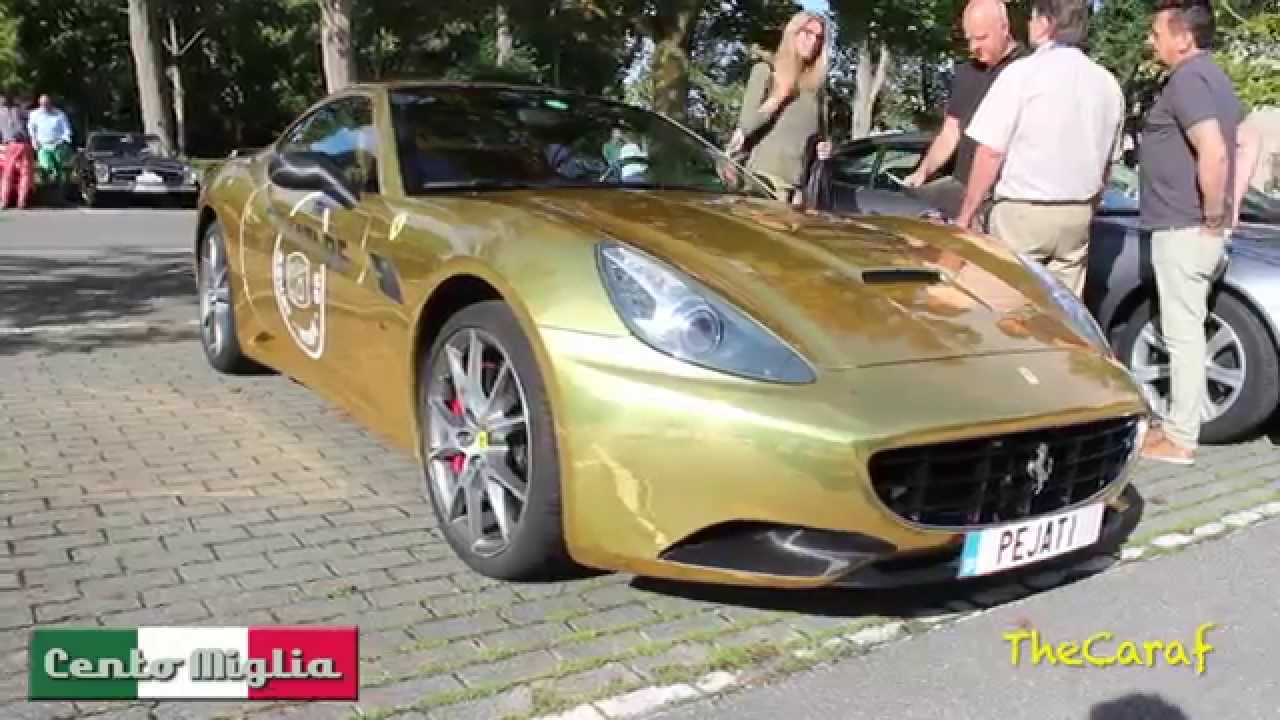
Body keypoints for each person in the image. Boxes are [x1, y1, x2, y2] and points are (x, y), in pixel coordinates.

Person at [1137, 0, 1260, 465]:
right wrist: (1230, 210)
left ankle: (1179, 438)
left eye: (1157, 33)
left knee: (1182, 335)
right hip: (1198, 228)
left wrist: (1214, 215)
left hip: (1184, 228)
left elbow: (1214, 149)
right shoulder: (1216, 78)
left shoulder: (1188, 80)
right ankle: (1180, 428)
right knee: (1189, 329)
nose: (1152, 41)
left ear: (1183, 37)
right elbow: (1249, 138)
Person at [955, 0, 1125, 297]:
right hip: (1077, 214)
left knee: (1010, 303)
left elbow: (991, 151)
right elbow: (1108, 162)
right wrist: (1089, 207)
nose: (1029, 25)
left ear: (1047, 23)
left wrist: (967, 214)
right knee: (1065, 310)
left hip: (1023, 212)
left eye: (1033, 18)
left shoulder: (1023, 74)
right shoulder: (1107, 83)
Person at [903, 0, 1028, 223]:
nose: (973, 48)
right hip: (960, 188)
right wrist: (923, 171)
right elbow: (951, 131)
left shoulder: (1029, 69)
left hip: (1005, 198)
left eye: (981, 38)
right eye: (969, 39)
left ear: (1004, 28)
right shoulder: (967, 72)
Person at [727, 11, 832, 208]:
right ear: (793, 33)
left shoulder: (816, 89)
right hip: (762, 183)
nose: (813, 42)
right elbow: (744, 128)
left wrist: (824, 147)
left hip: (797, 189)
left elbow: (821, 135)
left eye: (819, 38)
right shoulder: (766, 71)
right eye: (807, 33)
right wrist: (778, 98)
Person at [27, 94, 73, 184]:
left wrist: (64, 140)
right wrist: (34, 140)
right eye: (42, 104)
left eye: (46, 103)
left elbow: (67, 129)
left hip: (58, 144)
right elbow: (31, 128)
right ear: (39, 104)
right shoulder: (34, 114)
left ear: (50, 103)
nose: (44, 105)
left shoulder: (59, 114)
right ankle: (46, 182)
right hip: (43, 145)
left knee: (60, 169)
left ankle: (60, 186)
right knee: (46, 166)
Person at [0, 91, 34, 209]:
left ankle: (4, 201)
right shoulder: (20, 111)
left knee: (7, 173)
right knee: (25, 173)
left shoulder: (1, 112)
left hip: (10, 144)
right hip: (24, 143)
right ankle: (22, 201)